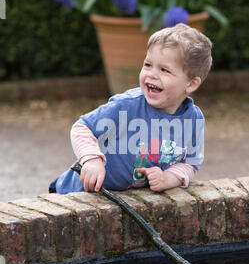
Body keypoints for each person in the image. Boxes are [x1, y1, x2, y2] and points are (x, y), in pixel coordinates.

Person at [49, 23, 212, 194]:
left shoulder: (193, 120)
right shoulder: (127, 105)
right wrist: (91, 159)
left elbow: (189, 163)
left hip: (125, 200)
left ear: (191, 83)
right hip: (80, 192)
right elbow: (82, 127)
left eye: (164, 70)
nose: (152, 74)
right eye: (148, 65)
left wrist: (167, 178)